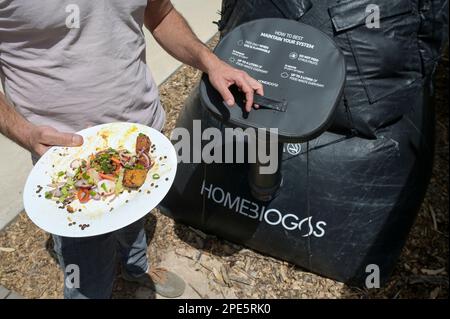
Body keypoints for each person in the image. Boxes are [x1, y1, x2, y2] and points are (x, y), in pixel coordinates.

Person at [0, 0, 264, 299]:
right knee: (87, 268)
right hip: (66, 155)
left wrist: (210, 61)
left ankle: (136, 268)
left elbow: (160, 15)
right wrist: (24, 132)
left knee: (134, 215)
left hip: (140, 132)